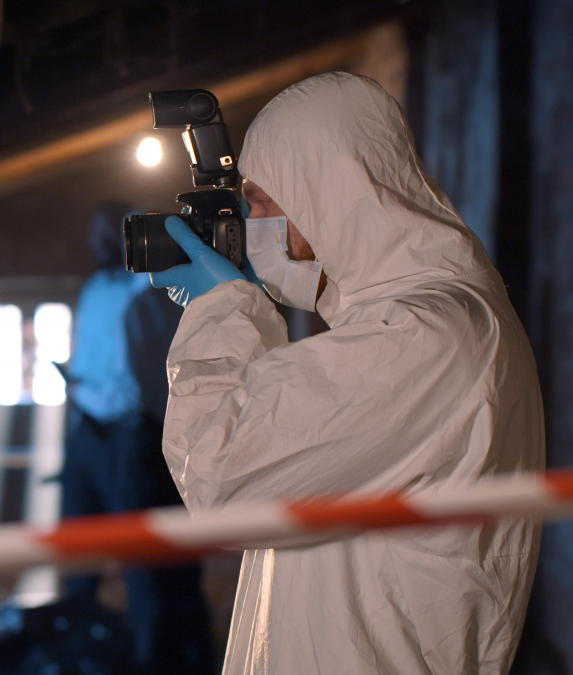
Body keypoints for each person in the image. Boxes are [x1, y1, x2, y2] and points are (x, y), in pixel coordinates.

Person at [149, 72, 543, 674]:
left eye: (261, 200)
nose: (253, 224)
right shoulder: (421, 323)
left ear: (326, 193)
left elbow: (221, 479)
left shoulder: (428, 336)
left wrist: (223, 312)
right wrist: (240, 310)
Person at [60, 201, 215, 675]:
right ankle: (77, 650)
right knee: (78, 551)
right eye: (94, 233)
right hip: (87, 432)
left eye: (105, 233)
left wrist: (88, 393)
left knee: (144, 560)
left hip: (130, 435)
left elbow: (139, 383)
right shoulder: (93, 290)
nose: (96, 243)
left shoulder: (149, 292)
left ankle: (159, 659)